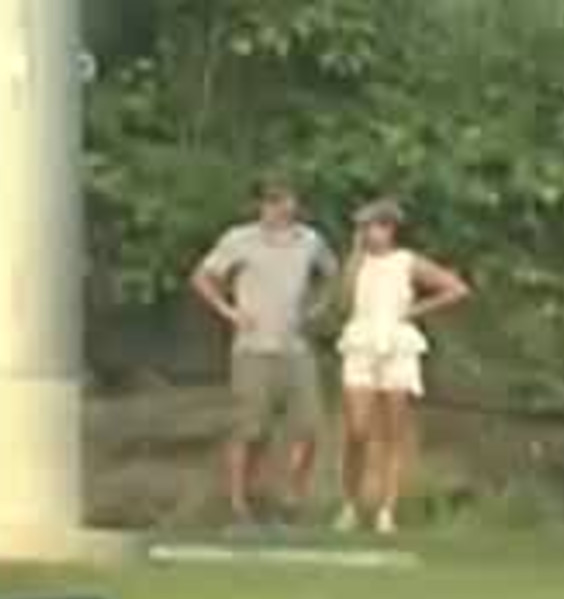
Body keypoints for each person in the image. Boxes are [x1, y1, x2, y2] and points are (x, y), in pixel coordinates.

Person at [189, 181, 336, 529]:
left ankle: (292, 500)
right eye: (271, 202)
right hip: (253, 348)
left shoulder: (310, 241)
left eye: (283, 201)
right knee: (249, 430)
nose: (277, 209)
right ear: (261, 206)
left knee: (309, 427)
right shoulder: (240, 240)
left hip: (295, 347)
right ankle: (239, 505)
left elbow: (331, 274)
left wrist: (317, 308)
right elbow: (202, 278)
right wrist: (229, 312)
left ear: (294, 204)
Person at [331, 201, 470, 536]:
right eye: (365, 228)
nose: (369, 233)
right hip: (362, 341)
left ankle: (386, 509)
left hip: (396, 343)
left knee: (394, 430)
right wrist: (354, 254)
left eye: (375, 226)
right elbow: (343, 302)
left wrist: (416, 310)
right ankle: (350, 502)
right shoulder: (357, 263)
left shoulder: (407, 261)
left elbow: (455, 289)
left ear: (390, 229)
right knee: (358, 429)